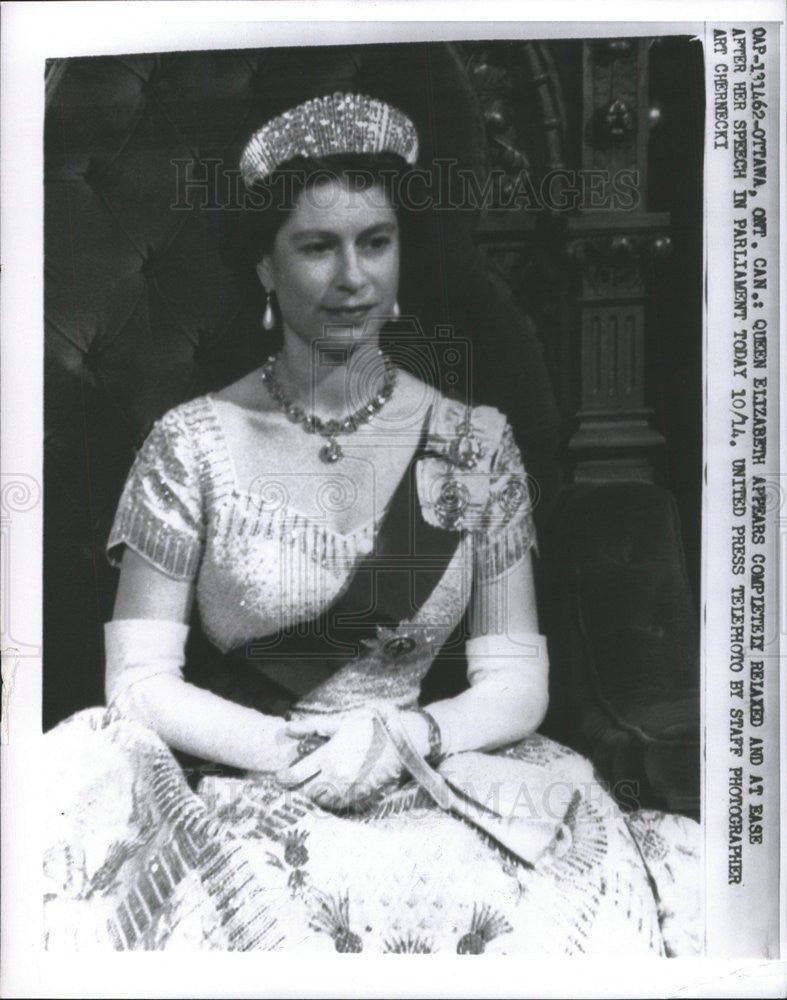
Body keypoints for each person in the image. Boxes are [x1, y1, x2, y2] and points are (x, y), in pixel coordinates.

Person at [43, 92, 699, 955]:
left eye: (375, 243)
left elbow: (514, 679)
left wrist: (402, 738)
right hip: (244, 778)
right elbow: (137, 683)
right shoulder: (190, 443)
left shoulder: (472, 443)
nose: (352, 277)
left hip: (427, 774)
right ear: (266, 270)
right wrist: (288, 754)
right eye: (317, 247)